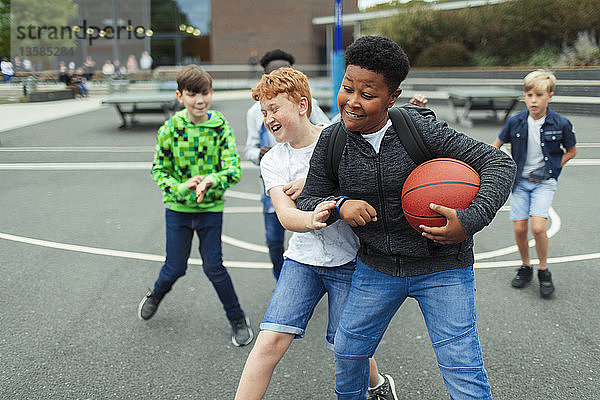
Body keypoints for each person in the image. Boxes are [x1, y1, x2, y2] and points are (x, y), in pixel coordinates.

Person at [297, 35, 517, 400]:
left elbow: (499, 162)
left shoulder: (418, 130)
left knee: (462, 366)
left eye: (367, 95)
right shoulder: (333, 139)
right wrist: (339, 205)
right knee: (348, 353)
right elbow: (309, 198)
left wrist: (470, 218)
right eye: (347, 88)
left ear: (392, 97)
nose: (352, 101)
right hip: (377, 267)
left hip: (442, 266)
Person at [235, 67, 397, 400]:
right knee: (269, 342)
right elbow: (285, 214)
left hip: (350, 262)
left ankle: (377, 384)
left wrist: (315, 185)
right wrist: (312, 218)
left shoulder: (341, 138)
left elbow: (369, 180)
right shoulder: (273, 160)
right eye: (264, 112)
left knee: (348, 348)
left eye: (274, 108)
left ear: (302, 105)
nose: (268, 118)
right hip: (302, 261)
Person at [138, 64, 254, 347]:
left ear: (211, 92)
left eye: (205, 93)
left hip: (210, 210)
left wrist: (211, 181)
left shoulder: (221, 128)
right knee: (175, 267)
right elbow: (158, 170)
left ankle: (237, 319)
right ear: (180, 96)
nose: (200, 100)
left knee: (214, 267)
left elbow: (233, 170)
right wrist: (181, 187)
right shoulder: (169, 130)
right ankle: (156, 293)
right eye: (192, 94)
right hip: (177, 209)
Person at [245, 49, 330, 280]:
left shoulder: (316, 121)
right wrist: (258, 153)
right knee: (274, 239)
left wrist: (314, 182)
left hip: (307, 186)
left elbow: (329, 130)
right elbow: (249, 148)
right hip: (276, 185)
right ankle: (283, 280)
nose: (269, 116)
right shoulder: (256, 113)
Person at [492, 69, 577, 298]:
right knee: (520, 228)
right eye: (529, 95)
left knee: (538, 227)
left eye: (539, 95)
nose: (533, 100)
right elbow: (496, 146)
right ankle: (525, 266)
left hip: (544, 183)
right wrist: (495, 167)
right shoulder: (515, 122)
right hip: (520, 182)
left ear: (550, 95)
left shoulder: (561, 123)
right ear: (524, 96)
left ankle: (543, 270)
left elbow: (571, 151)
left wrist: (554, 167)